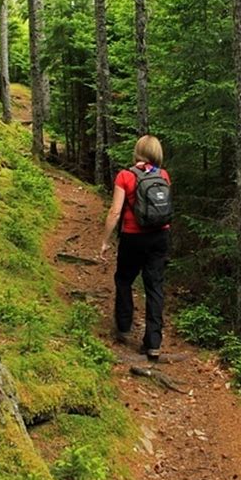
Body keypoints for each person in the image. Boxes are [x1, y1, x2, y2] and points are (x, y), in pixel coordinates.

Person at [100, 135, 171, 360]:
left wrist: (105, 240)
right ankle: (153, 343)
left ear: (138, 151)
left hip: (133, 236)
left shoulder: (125, 175)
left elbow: (115, 212)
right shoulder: (163, 175)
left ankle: (123, 326)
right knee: (154, 286)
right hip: (160, 236)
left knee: (124, 279)